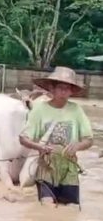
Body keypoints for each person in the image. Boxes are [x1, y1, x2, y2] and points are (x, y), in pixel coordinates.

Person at [19, 66, 93, 206]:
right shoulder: (39, 110)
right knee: (47, 205)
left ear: (71, 91)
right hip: (46, 166)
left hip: (69, 168)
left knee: (71, 208)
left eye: (67, 88)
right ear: (51, 89)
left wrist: (78, 146)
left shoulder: (76, 110)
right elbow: (23, 138)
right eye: (60, 87)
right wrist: (39, 146)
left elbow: (88, 140)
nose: (64, 91)